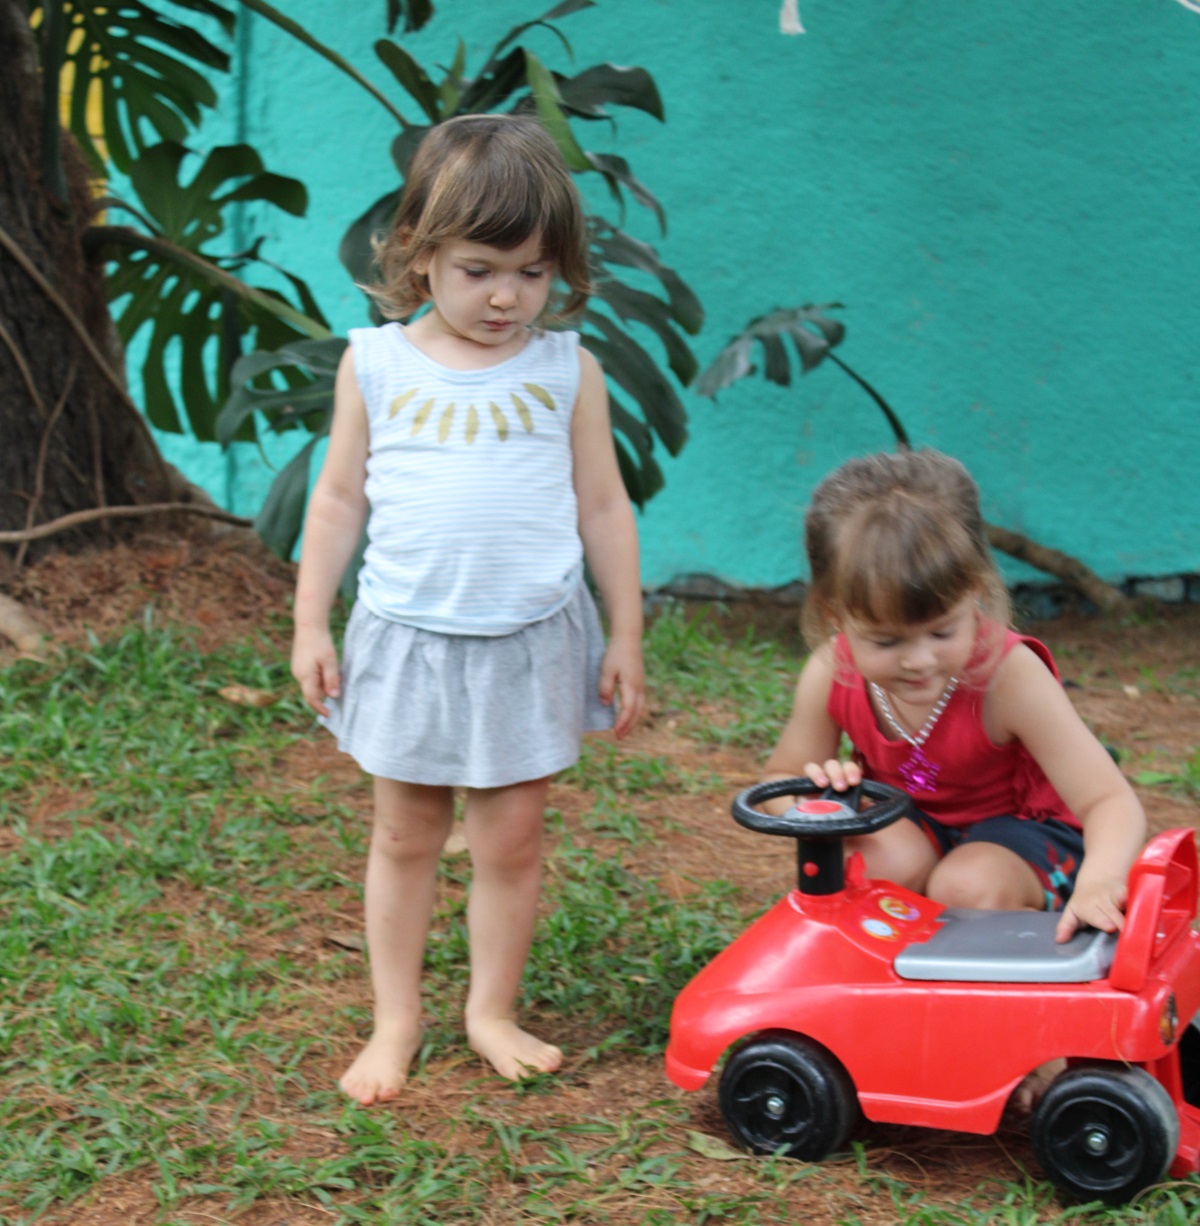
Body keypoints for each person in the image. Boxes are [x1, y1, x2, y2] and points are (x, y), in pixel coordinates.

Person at [291, 114, 646, 1105]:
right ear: (420, 252)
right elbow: (337, 498)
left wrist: (626, 630)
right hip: (406, 637)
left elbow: (604, 504)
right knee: (404, 834)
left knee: (510, 840)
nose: (507, 295)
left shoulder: (567, 370)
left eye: (532, 273)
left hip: (528, 642)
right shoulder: (377, 363)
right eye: (483, 267)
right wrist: (311, 619)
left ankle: (490, 1007)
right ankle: (395, 1016)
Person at [763, 448, 1145, 944]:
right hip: (914, 826)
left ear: (976, 594)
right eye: (886, 640)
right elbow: (779, 779)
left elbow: (1109, 800)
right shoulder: (831, 672)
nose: (919, 661)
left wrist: (1102, 880)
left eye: (942, 633)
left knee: (966, 885)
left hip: (1028, 836)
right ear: (836, 616)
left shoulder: (1008, 676)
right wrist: (817, 800)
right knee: (876, 865)